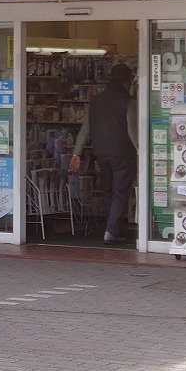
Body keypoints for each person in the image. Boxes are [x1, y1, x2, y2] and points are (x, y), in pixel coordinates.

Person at [69, 63, 138, 244]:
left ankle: (114, 228)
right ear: (126, 82)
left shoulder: (95, 101)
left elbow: (85, 129)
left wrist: (76, 153)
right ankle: (112, 231)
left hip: (101, 153)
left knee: (108, 192)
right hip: (123, 153)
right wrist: (141, 150)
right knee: (120, 193)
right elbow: (132, 130)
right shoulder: (129, 102)